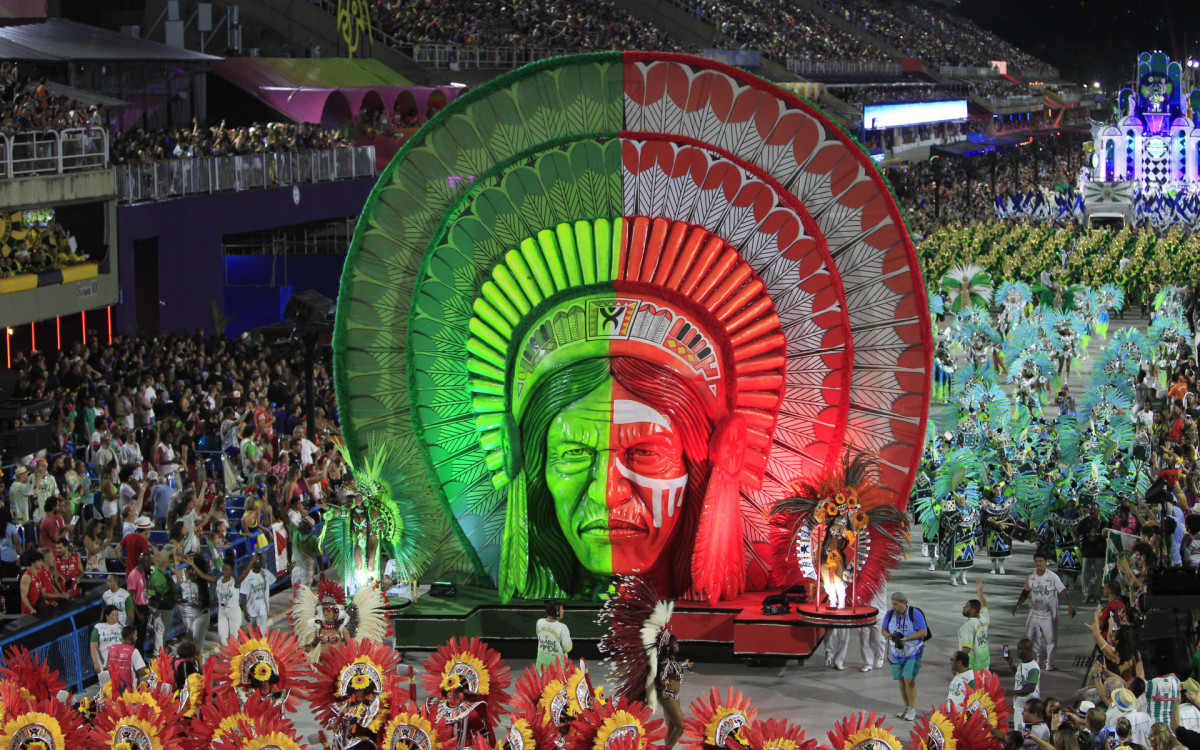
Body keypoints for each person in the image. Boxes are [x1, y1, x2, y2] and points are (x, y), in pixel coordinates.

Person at [1013, 551, 1076, 671]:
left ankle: (1050, 664)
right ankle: (1040, 655)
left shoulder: (1052, 577)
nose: (1038, 564)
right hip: (1034, 613)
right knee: (1031, 637)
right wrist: (1018, 605)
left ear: (1046, 562)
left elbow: (1062, 590)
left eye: (1041, 561)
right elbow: (1025, 592)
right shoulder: (1031, 576)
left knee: (1050, 639)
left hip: (1049, 614)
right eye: (1036, 561)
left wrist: (1070, 604)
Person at [882, 591, 928, 721]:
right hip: (897, 652)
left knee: (909, 679)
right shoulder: (890, 614)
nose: (893, 606)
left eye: (895, 604)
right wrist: (890, 636)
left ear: (904, 603)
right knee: (901, 680)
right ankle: (906, 707)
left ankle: (912, 708)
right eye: (892, 604)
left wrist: (907, 639)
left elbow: (923, 632)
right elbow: (883, 630)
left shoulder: (915, 613)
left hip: (913, 652)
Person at [658, 633, 692, 749]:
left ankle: (667, 747)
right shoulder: (664, 661)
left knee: (671, 726)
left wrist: (684, 665)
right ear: (668, 647)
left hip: (674, 696)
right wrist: (664, 681)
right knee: (681, 726)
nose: (677, 645)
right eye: (675, 643)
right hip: (667, 695)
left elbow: (675, 666)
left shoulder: (671, 659)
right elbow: (662, 673)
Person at [146, 550, 177, 659]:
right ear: (165, 561)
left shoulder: (162, 573)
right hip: (160, 607)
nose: (170, 562)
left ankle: (161, 652)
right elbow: (151, 592)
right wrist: (162, 598)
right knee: (160, 630)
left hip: (166, 606)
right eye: (169, 560)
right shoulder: (157, 575)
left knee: (163, 630)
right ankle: (157, 654)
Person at [103, 625, 147, 694]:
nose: (136, 638)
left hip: (113, 693)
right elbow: (142, 672)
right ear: (130, 637)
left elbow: (105, 670)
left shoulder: (111, 649)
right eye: (135, 635)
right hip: (129, 694)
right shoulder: (133, 651)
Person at [959, 577, 991, 670]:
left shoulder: (969, 625)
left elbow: (966, 648)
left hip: (973, 668)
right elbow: (984, 605)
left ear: (973, 610)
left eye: (967, 607)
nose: (964, 607)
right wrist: (979, 591)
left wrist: (960, 665)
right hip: (985, 665)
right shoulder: (984, 617)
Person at [1079, 504, 1108, 603]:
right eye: (1090, 510)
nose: (1092, 512)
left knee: (1099, 574)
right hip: (1087, 552)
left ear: (1098, 511)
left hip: (1099, 552)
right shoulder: (1084, 522)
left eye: (1094, 510)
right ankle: (1086, 594)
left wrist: (1097, 534)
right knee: (1085, 574)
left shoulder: (1103, 522)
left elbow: (1106, 533)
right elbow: (1076, 531)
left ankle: (1097, 595)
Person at [240, 552, 275, 631]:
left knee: (262, 635)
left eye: (260, 560)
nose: (258, 562)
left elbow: (275, 580)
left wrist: (286, 572)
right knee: (252, 635)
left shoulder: (265, 573)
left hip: (263, 610)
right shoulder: (247, 576)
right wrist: (245, 611)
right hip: (251, 611)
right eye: (256, 560)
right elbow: (243, 595)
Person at [1007, 638, 1042, 717]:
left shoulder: (1033, 668)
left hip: (1029, 709)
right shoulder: (1022, 664)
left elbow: (1030, 689)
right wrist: (1010, 664)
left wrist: (1011, 693)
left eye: (1020, 650)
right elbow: (1018, 677)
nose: (1017, 652)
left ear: (1027, 651)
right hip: (1019, 707)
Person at [535, 600, 572, 668]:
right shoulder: (562, 627)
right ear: (557, 613)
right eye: (561, 609)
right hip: (558, 667)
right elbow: (567, 648)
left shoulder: (539, 622)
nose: (563, 611)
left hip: (541, 665)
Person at [215, 559, 246, 643]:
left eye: (227, 569)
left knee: (234, 638)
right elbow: (203, 576)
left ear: (231, 571)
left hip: (233, 611)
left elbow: (244, 575)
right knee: (222, 637)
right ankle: (226, 655)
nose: (224, 571)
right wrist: (193, 565)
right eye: (223, 569)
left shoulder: (235, 581)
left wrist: (251, 563)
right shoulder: (218, 581)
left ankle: (236, 655)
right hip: (222, 610)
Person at [89, 604, 124, 676]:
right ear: (107, 616)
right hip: (103, 662)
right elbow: (93, 646)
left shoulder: (122, 628)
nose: (116, 617)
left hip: (119, 662)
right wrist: (96, 663)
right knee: (106, 686)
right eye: (114, 614)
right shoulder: (98, 627)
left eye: (117, 614)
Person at [0, 507, 22, 577]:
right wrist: (21, 555)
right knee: (13, 580)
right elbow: (17, 543)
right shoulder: (11, 527)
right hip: (11, 557)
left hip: (1, 558)